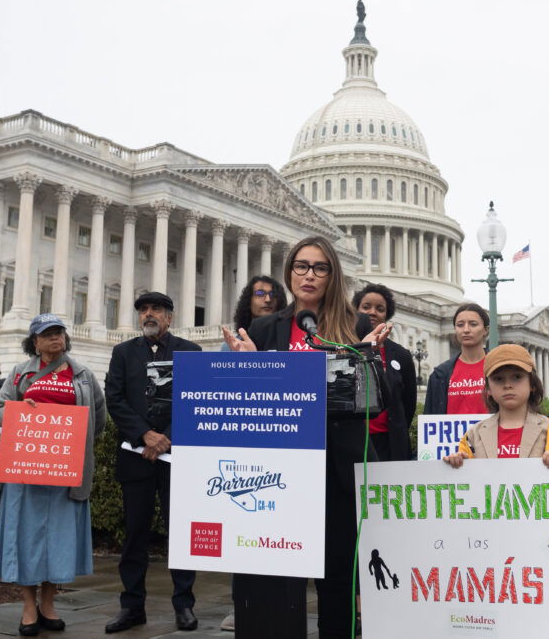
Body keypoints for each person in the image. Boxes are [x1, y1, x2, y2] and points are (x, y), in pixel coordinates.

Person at [223, 235, 391, 639]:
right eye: (301, 266)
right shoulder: (264, 328)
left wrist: (364, 361)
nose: (309, 275)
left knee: (337, 577)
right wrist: (247, 367)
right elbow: (248, 404)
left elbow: (376, 402)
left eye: (319, 267)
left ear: (333, 275)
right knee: (283, 581)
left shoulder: (356, 325)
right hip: (282, 471)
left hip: (338, 465)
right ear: (290, 271)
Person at [0, 314, 106, 636]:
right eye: (48, 334)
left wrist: (70, 446)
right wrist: (18, 411)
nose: (56, 338)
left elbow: (99, 418)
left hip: (64, 471)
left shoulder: (82, 375)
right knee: (25, 538)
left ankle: (49, 604)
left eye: (60, 333)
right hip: (24, 473)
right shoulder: (19, 373)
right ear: (35, 341)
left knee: (59, 540)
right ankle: (28, 607)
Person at [105, 292, 202, 634]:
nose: (149, 314)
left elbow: (196, 399)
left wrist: (167, 439)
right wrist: (145, 435)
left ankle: (184, 604)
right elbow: (114, 399)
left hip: (177, 459)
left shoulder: (191, 352)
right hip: (136, 456)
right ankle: (132, 606)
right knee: (134, 534)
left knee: (180, 532)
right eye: (144, 309)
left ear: (169, 317)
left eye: (156, 309)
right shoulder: (123, 352)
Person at [218, 275, 289, 632]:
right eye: (259, 293)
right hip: (244, 445)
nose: (266, 298)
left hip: (282, 443)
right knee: (241, 531)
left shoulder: (287, 338)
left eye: (272, 293)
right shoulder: (230, 342)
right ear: (248, 299)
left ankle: (278, 601)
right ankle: (239, 603)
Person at [443, 344, 549, 468]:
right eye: (498, 379)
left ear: (532, 384)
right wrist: (457, 464)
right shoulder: (473, 435)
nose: (507, 385)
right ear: (488, 389)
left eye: (517, 377)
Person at [351, 283, 417, 460]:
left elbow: (408, 401)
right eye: (366, 307)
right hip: (354, 439)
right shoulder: (345, 347)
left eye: (379, 309)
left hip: (389, 441)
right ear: (356, 310)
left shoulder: (401, 354)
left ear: (387, 315)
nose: (372, 312)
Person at [424, 303, 491, 415]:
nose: (466, 330)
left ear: (485, 330)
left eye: (473, 324)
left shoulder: (498, 368)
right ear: (455, 329)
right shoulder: (440, 374)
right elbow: (430, 414)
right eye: (460, 325)